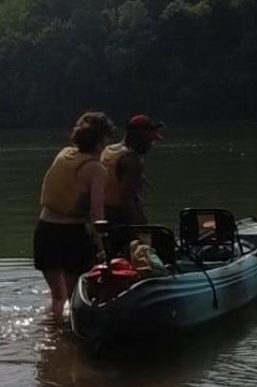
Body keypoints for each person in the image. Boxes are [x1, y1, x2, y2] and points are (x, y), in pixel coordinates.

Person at [34, 111, 114, 319]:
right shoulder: (96, 169)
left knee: (57, 297)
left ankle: (50, 335)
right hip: (71, 235)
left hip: (44, 230)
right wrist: (102, 248)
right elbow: (97, 213)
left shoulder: (64, 154)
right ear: (102, 141)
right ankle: (67, 340)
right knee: (73, 297)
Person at [102, 114, 163, 226]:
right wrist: (142, 228)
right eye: (150, 140)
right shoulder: (132, 160)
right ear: (140, 136)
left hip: (103, 216)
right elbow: (126, 199)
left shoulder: (108, 150)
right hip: (119, 220)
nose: (151, 145)